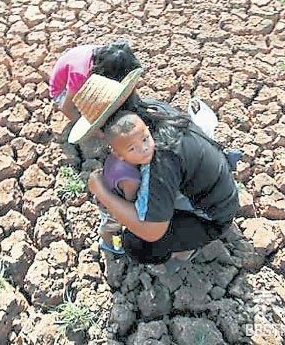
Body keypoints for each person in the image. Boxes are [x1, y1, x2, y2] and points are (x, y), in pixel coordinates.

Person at [69, 69, 239, 273]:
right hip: (218, 188)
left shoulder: (157, 158)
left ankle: (186, 250)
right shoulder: (151, 112)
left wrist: (102, 193)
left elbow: (152, 232)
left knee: (138, 245)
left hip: (212, 217)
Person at [49, 40, 141, 121]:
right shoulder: (80, 74)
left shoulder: (108, 54)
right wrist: (96, 132)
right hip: (62, 91)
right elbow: (67, 108)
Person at [97, 112, 148, 254]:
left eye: (144, 140)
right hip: (112, 207)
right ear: (118, 152)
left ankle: (111, 239)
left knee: (110, 225)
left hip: (105, 194)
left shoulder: (116, 156)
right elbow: (130, 202)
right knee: (111, 228)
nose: (143, 149)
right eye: (132, 148)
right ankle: (109, 245)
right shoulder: (131, 178)